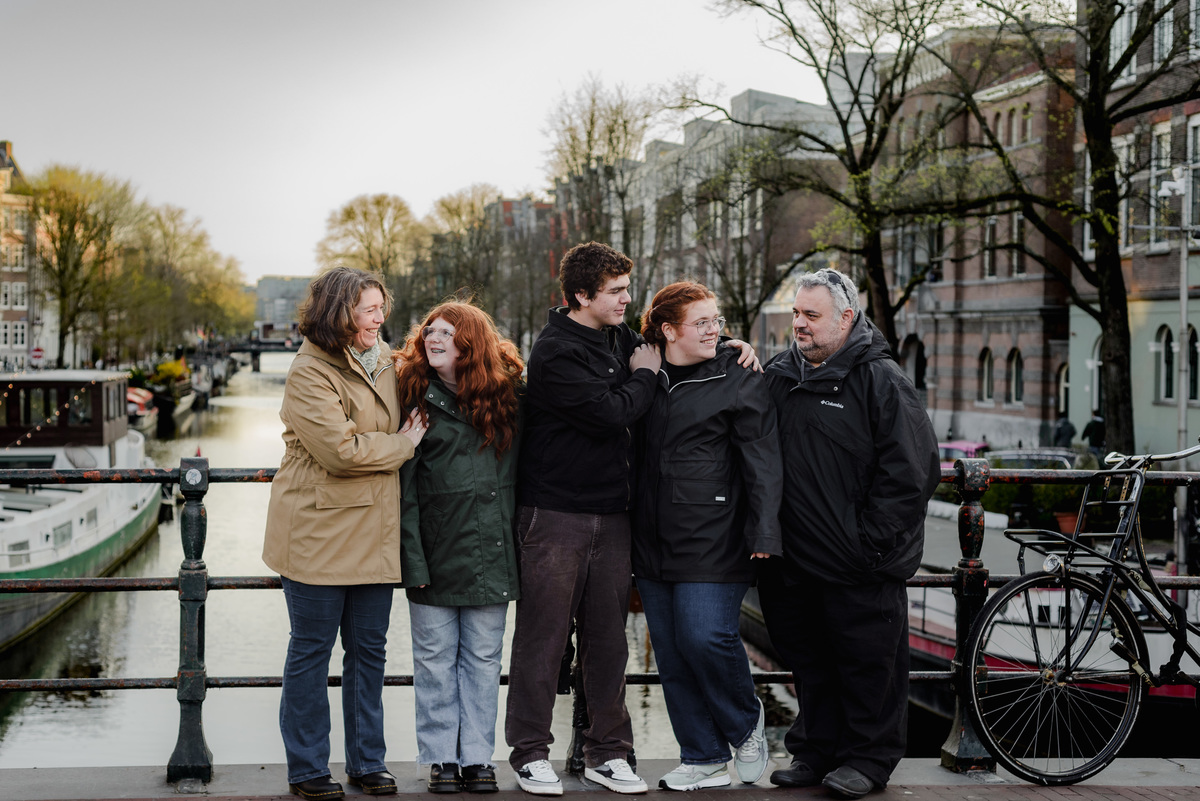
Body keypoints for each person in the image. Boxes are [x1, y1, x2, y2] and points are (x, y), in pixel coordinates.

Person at [504, 242, 758, 797]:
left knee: (608, 642)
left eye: (626, 288)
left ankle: (609, 753)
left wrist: (731, 345)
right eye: (615, 291)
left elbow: (679, 343)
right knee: (542, 640)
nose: (626, 299)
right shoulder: (554, 352)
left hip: (615, 516)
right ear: (581, 296)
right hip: (555, 515)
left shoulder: (621, 338)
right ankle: (529, 753)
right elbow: (609, 413)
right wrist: (643, 377)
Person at [759, 268, 939, 799]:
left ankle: (868, 759)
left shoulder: (881, 380)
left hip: (860, 563)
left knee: (869, 666)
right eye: (796, 314)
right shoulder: (779, 374)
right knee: (810, 663)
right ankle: (816, 751)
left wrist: (869, 544)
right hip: (796, 561)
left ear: (847, 318)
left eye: (811, 316)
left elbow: (911, 473)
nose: (799, 324)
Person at [262, 266, 426, 801]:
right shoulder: (310, 371)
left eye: (382, 307)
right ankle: (308, 768)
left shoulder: (390, 363)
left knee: (370, 652)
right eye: (369, 310)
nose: (381, 318)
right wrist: (403, 445)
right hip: (319, 532)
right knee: (311, 652)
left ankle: (367, 762)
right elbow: (341, 451)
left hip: (376, 533)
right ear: (340, 314)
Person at [632, 282, 782, 791]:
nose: (715, 330)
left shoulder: (737, 374)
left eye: (716, 320)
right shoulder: (643, 370)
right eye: (702, 322)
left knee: (705, 635)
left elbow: (762, 458)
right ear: (668, 329)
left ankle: (745, 722)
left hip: (714, 535)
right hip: (650, 538)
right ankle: (702, 755)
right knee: (672, 655)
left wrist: (765, 528)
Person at [394, 302, 524, 794]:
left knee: (484, 660)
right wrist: (412, 562)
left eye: (447, 331)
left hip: (492, 553)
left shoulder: (509, 397)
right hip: (434, 554)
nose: (434, 337)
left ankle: (476, 759)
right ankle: (441, 759)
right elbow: (404, 494)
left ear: (470, 341)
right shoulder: (413, 398)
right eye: (431, 330)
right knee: (433, 661)